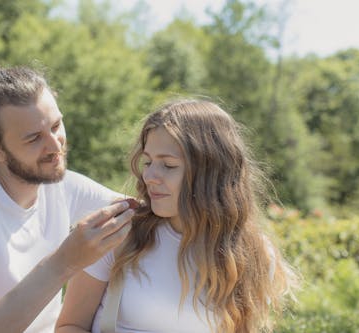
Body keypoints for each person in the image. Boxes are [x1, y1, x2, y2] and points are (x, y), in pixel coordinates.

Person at [0, 64, 136, 333]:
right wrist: (64, 263)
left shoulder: (60, 185)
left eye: (56, 126)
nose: (55, 145)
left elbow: (142, 211)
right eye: (34, 138)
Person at [56, 99, 297, 333]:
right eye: (148, 162)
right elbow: (69, 326)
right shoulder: (118, 232)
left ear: (211, 173)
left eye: (168, 166)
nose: (149, 175)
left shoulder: (253, 253)